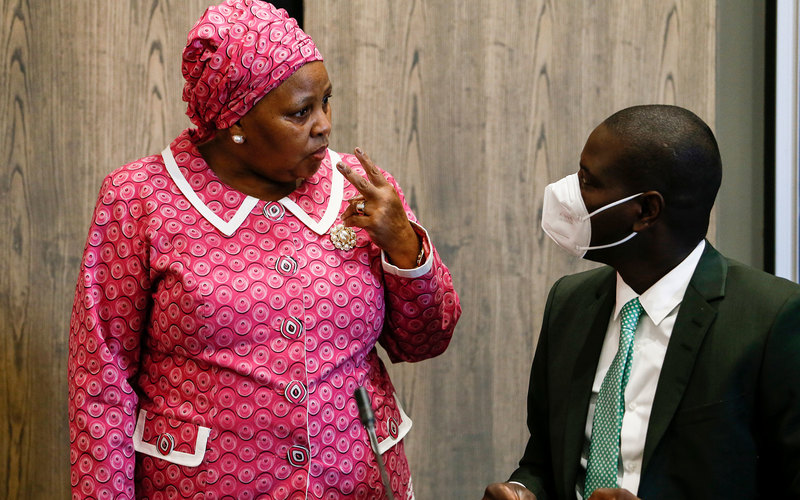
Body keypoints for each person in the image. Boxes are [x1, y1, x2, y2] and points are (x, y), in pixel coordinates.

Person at [67, 2, 461, 498]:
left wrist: (403, 244)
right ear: (236, 123)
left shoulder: (361, 193)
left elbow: (427, 341)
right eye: (300, 112)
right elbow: (100, 383)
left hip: (358, 484)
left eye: (326, 101)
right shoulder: (139, 199)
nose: (324, 125)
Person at [483, 104, 800, 500]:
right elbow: (543, 460)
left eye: (587, 182)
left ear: (646, 211)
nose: (568, 195)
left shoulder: (772, 318)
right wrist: (522, 490)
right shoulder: (569, 302)